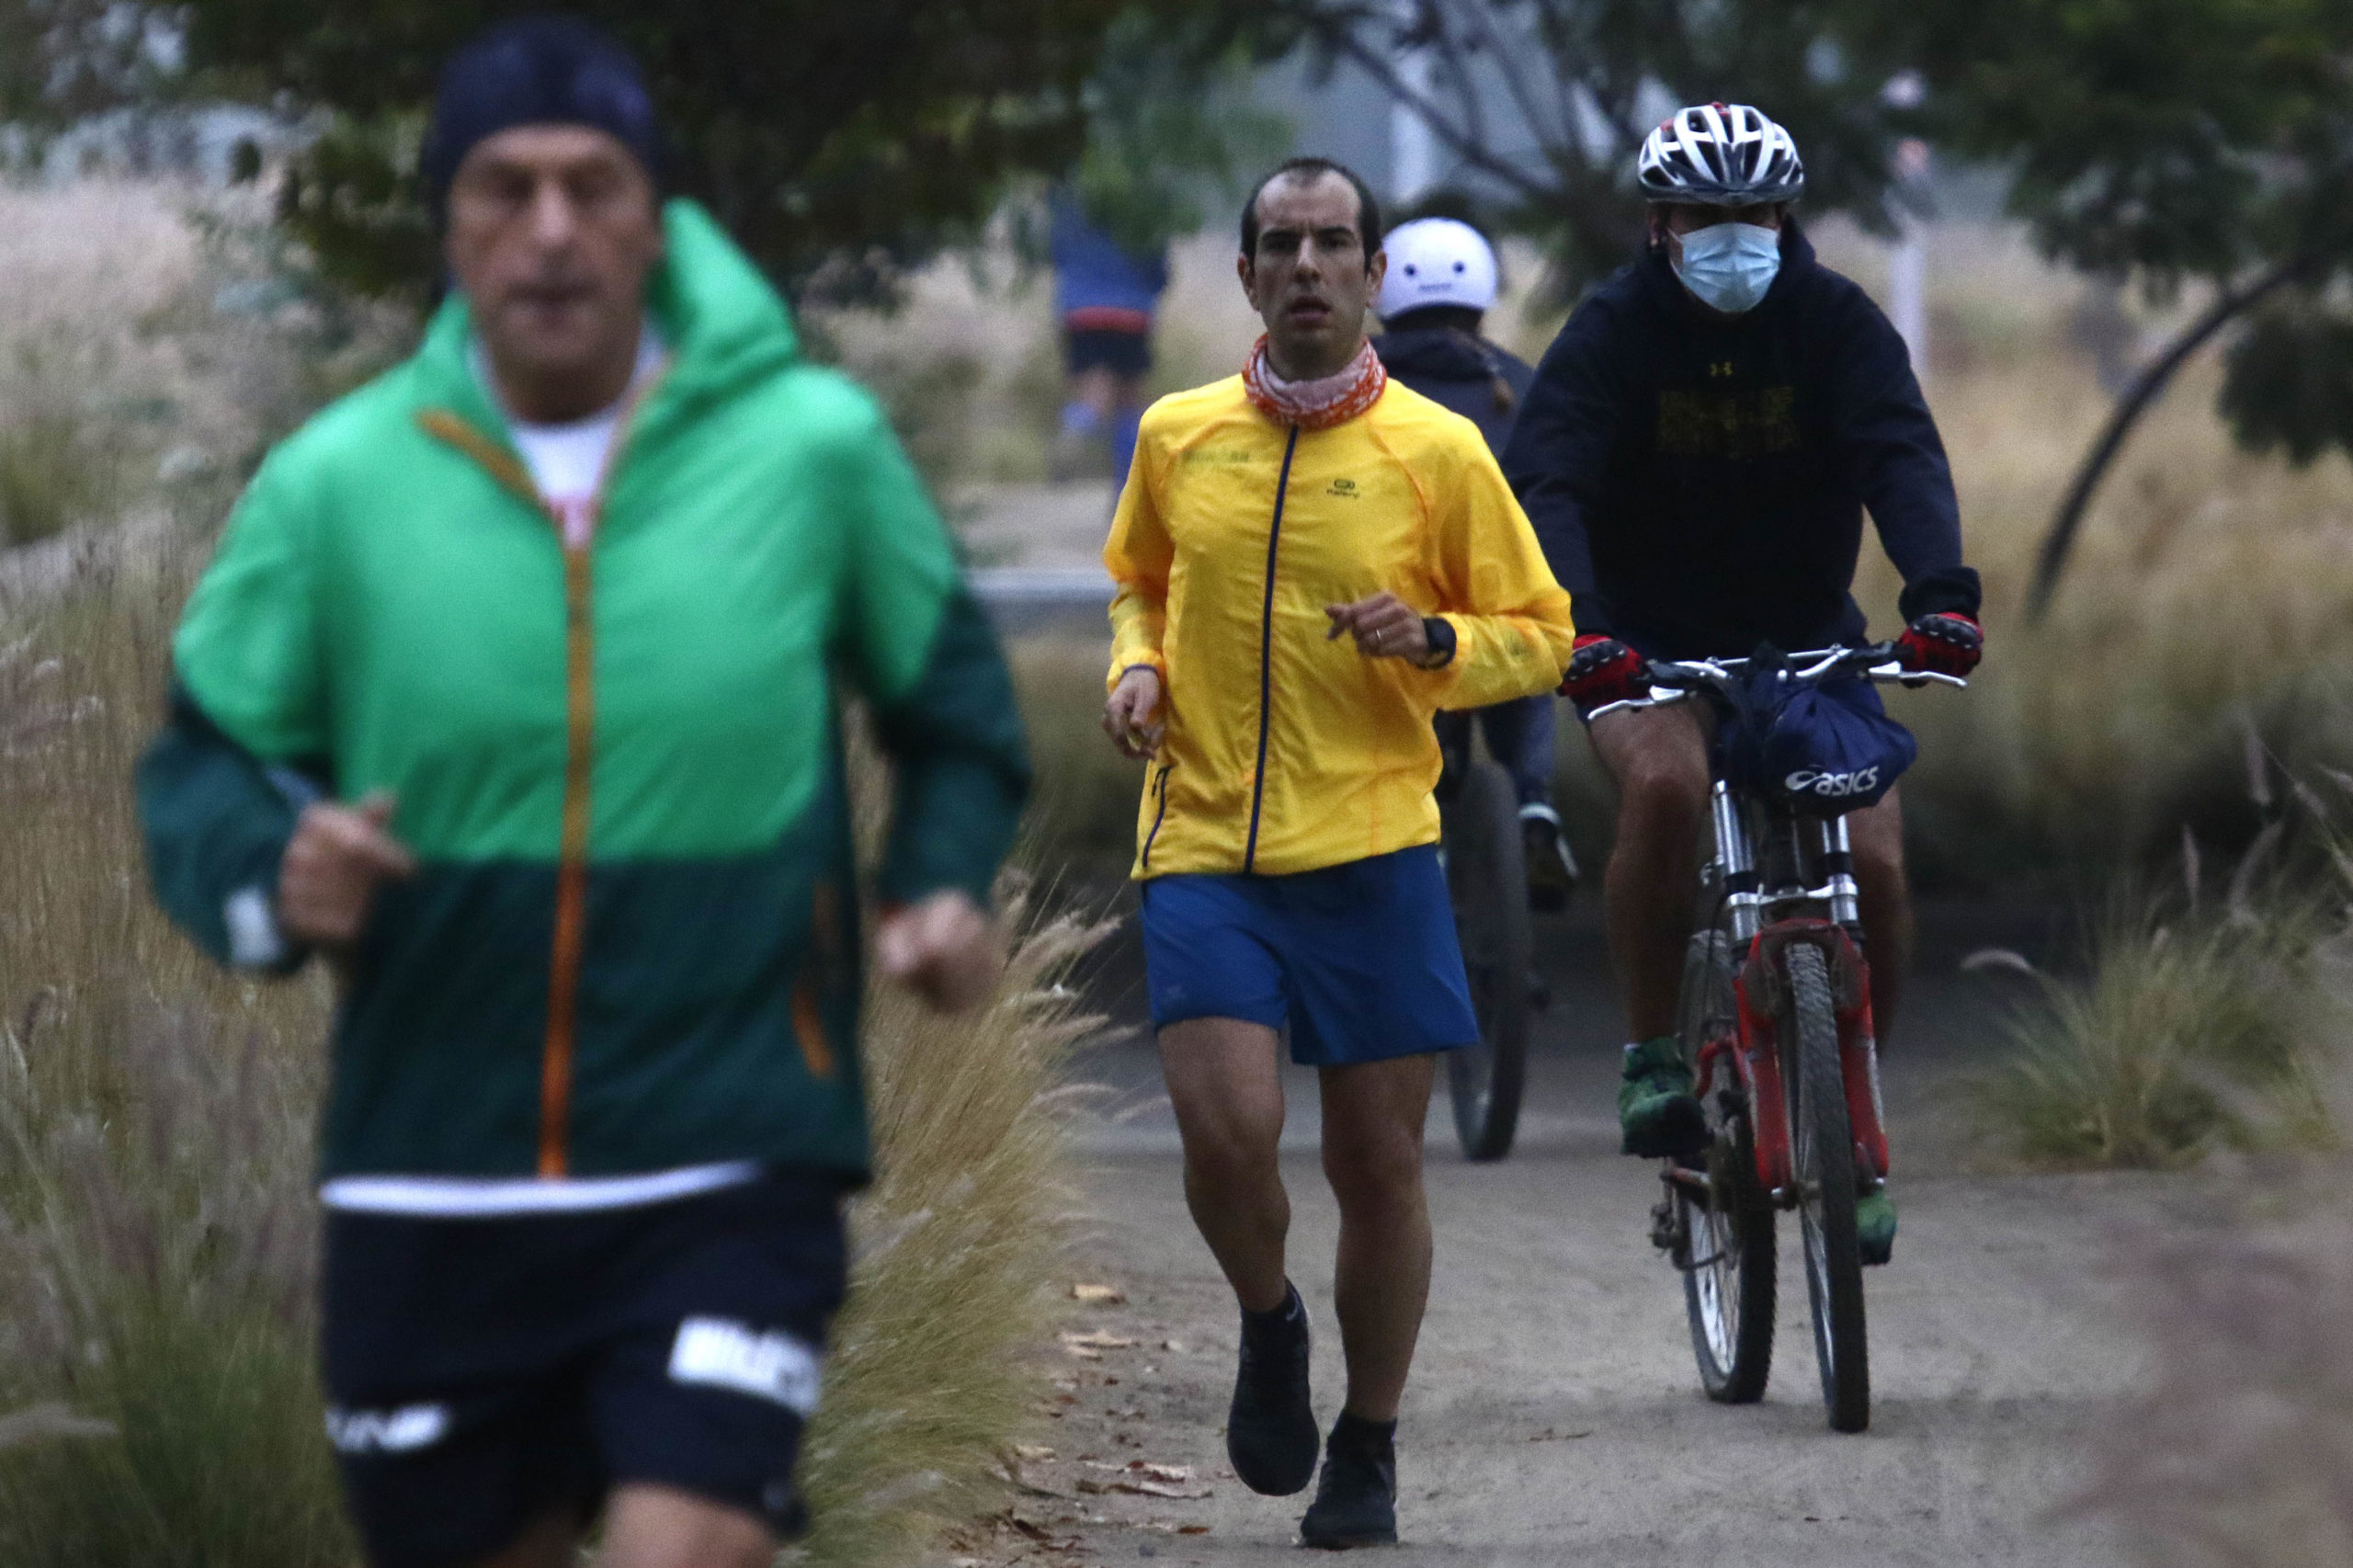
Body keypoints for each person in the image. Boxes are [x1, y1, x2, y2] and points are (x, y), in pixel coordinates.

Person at [134, 19, 1030, 1568]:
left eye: (592, 186)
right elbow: (201, 762)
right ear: (449, 222)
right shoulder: (338, 481)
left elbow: (956, 717)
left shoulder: (811, 452)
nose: (549, 230)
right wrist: (272, 873)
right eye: (504, 188)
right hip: (433, 1176)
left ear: (654, 220)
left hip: (728, 1149)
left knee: (694, 1539)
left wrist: (937, 881)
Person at [1099, 156, 1574, 1548]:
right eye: (1281, 244)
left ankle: (1367, 1441)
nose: (1306, 265)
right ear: (1246, 275)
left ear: (1372, 274)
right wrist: (1136, 668)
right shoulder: (1177, 433)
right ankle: (1269, 1317)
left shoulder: (1442, 449)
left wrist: (1434, 641)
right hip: (1203, 836)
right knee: (1227, 1131)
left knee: (1378, 1167)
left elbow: (1542, 635)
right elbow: (1138, 581)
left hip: (1371, 847)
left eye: (1331, 243)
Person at [1502, 102, 1983, 1265]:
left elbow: (1899, 453)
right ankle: (1650, 1054)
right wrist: (1579, 626)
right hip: (1640, 643)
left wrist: (1941, 598)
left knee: (1875, 862)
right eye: (1704, 215)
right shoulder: (1611, 331)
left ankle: (1852, 1123)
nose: (1732, 235)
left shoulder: (1833, 320)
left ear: (1785, 216)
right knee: (1667, 789)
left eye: (1754, 212)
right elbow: (1546, 482)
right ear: (1659, 224)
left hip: (1806, 640)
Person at [1371, 214, 1578, 910]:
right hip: (1494, 594)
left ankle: (1403, 832)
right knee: (1528, 647)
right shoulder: (1523, 384)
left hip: (1395, 609)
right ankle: (1534, 803)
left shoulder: (1355, 384)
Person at [1048, 187, 1170, 488]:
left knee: (1093, 389)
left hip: (1081, 309)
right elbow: (1157, 266)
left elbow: (1056, 252)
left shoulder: (1069, 196)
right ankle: (1128, 488)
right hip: (1131, 310)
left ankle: (1076, 426)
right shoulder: (1142, 196)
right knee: (1129, 402)